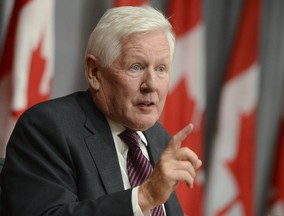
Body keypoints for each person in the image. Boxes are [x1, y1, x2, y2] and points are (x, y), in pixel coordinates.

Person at [0, 6, 202, 216]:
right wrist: (145, 197)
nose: (151, 84)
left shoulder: (159, 139)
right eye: (136, 67)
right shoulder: (47, 129)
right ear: (94, 72)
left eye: (161, 69)